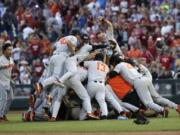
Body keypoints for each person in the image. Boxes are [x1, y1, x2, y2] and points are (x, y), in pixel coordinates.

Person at [0, 42, 14, 122]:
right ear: (4, 50)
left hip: (8, 82)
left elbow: (10, 69)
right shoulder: (0, 60)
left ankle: (3, 114)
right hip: (1, 82)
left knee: (10, 98)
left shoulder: (11, 59)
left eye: (11, 49)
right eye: (8, 49)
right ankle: (0, 116)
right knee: (3, 99)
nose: (10, 51)